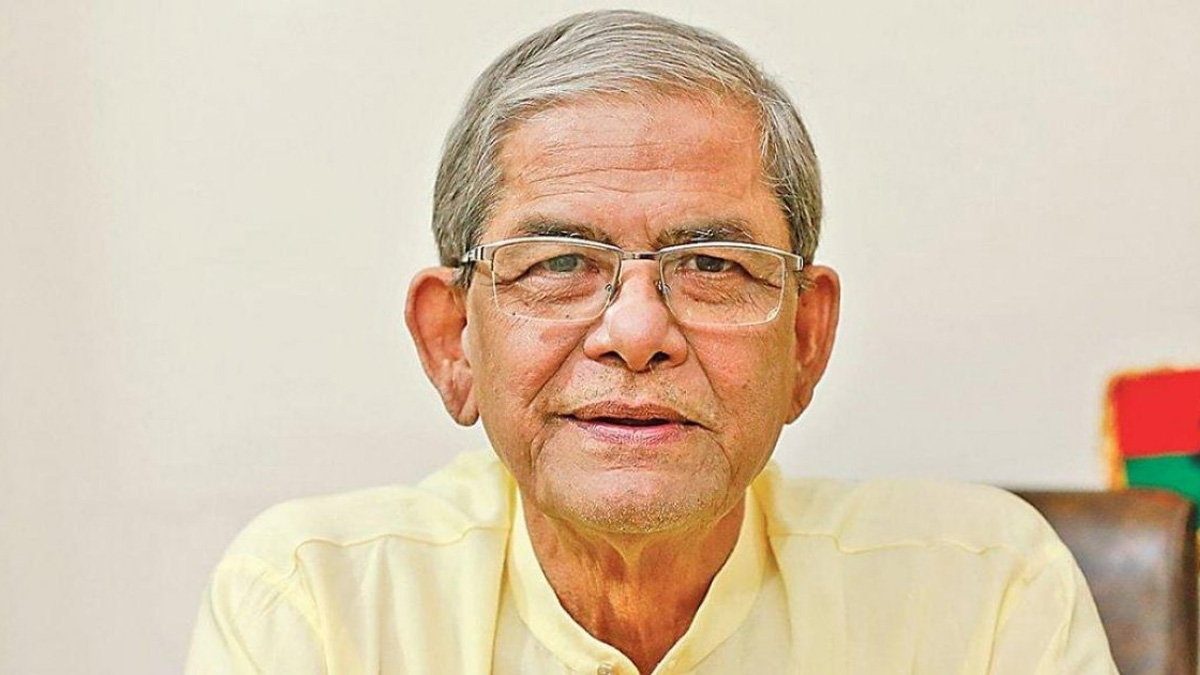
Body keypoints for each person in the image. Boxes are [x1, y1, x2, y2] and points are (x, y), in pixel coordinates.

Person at [185, 10, 1117, 674]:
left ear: (805, 337)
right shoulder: (321, 607)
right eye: (558, 262)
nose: (636, 333)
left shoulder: (981, 596)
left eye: (712, 263)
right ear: (452, 340)